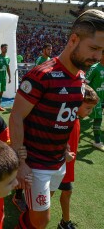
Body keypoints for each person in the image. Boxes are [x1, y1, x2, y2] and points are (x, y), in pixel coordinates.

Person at [10, 9, 104, 229]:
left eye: (101, 51)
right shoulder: (41, 75)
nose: (98, 57)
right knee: (42, 221)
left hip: (58, 161)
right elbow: (15, 117)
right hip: (36, 164)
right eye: (94, 48)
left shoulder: (81, 77)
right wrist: (20, 162)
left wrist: (63, 150)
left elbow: (65, 119)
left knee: (37, 214)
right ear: (73, 40)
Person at [58, 85, 99, 229]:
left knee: (67, 191)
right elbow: (53, 137)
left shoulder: (75, 118)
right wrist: (64, 153)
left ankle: (65, 222)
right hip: (57, 163)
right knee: (47, 194)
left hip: (68, 164)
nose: (90, 112)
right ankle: (32, 217)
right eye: (88, 108)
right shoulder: (65, 118)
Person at [85, 52, 104, 151]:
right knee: (98, 118)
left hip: (103, 96)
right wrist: (91, 95)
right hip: (96, 99)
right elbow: (84, 83)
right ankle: (97, 142)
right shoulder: (95, 68)